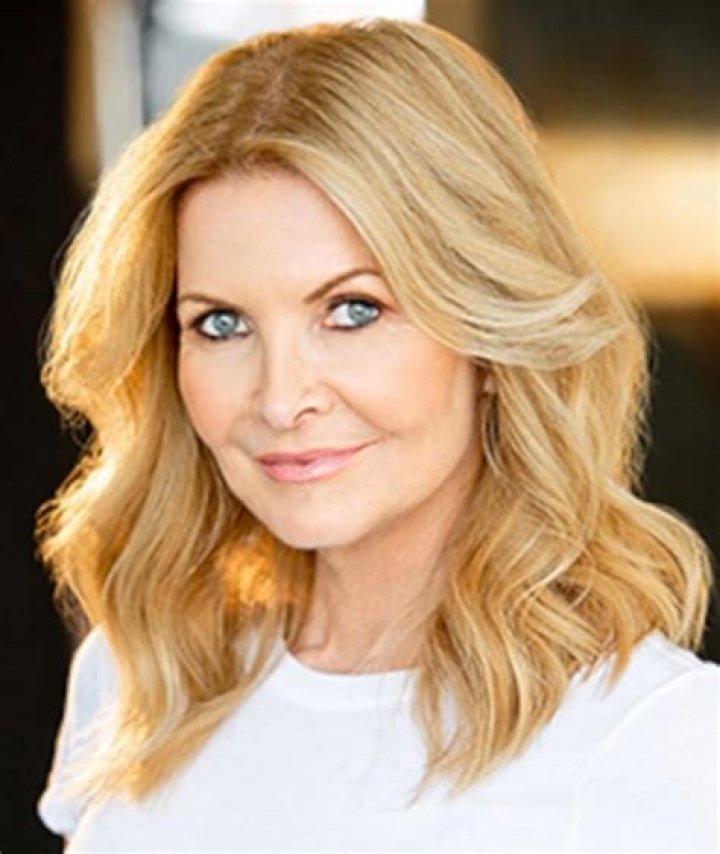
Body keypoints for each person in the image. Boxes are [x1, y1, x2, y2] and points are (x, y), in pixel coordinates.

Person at [36, 17, 717, 853]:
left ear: (490, 336)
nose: (281, 399)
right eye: (220, 324)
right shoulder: (143, 673)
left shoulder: (655, 742)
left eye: (353, 310)